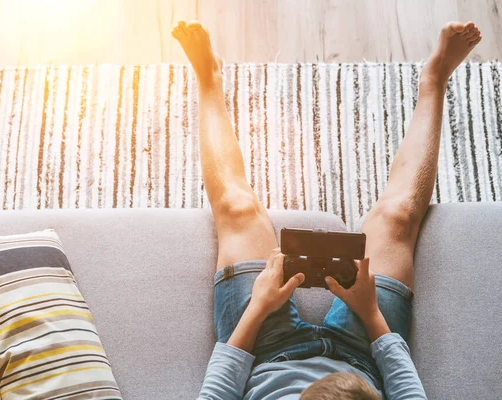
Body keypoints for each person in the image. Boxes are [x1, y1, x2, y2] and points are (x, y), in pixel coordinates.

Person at [171, 19, 482, 400]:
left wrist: (259, 307)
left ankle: (208, 79)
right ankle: (435, 78)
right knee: (398, 218)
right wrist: (370, 314)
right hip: (361, 356)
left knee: (237, 210)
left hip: (265, 354)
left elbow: (216, 393)